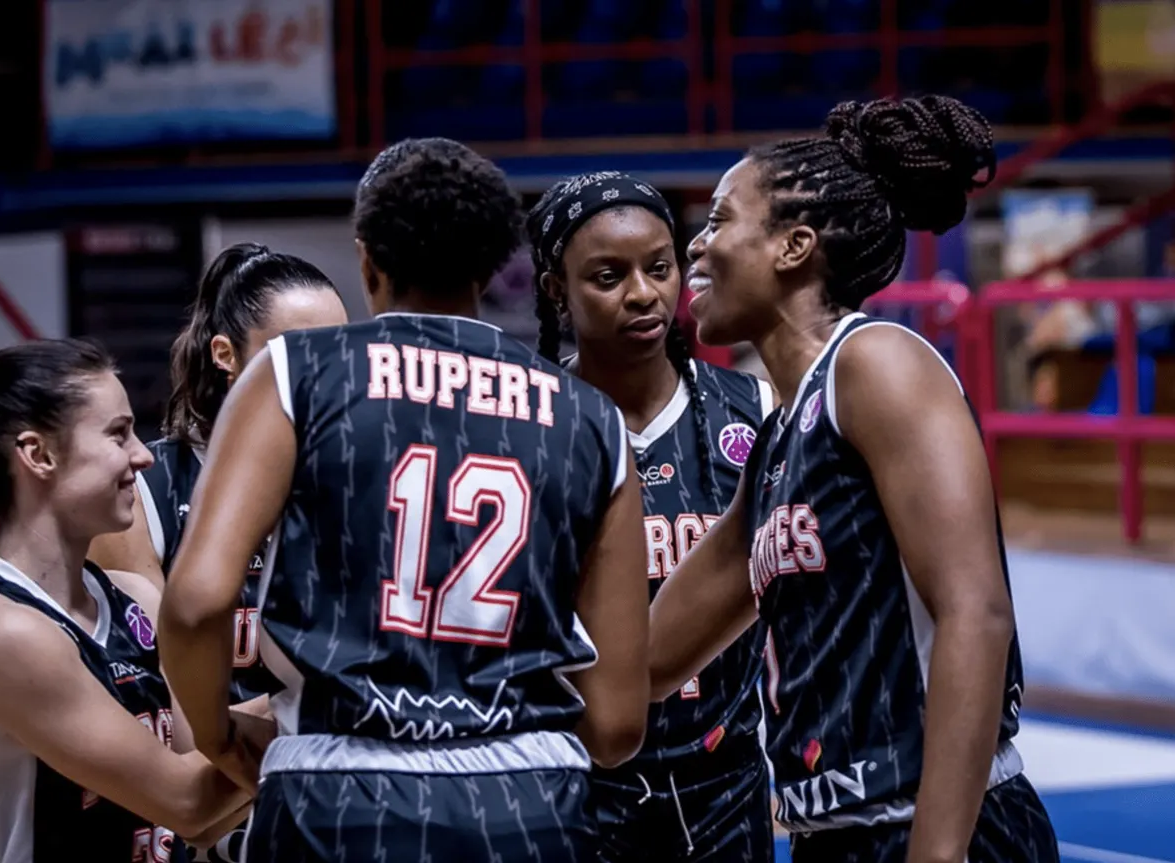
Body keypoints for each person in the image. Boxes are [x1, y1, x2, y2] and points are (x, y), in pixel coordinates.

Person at [156, 137, 651, 863]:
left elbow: (196, 603)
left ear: (367, 261)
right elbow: (615, 726)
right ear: (491, 267)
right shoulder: (591, 417)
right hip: (530, 805)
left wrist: (219, 737)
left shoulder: (296, 372)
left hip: (337, 797)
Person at [651, 95, 1059, 863]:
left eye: (720, 220)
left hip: (934, 827)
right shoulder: (776, 443)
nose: (696, 245)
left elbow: (976, 612)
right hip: (832, 836)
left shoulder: (874, 362)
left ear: (794, 245)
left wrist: (935, 854)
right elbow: (649, 660)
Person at [0, 340, 259, 863]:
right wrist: (323, 701)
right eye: (118, 434)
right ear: (39, 455)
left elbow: (210, 773)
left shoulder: (136, 596)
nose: (143, 455)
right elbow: (187, 802)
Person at [528, 171, 775, 862]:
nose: (643, 294)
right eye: (608, 277)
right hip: (576, 782)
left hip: (726, 787)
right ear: (556, 289)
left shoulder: (755, 410)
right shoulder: (529, 421)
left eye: (660, 268)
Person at [87, 243, 347, 862]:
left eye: (337, 354)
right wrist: (322, 712)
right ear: (226, 355)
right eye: (295, 356)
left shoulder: (362, 480)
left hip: (341, 803)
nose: (323, 378)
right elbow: (160, 722)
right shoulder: (144, 492)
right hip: (215, 816)